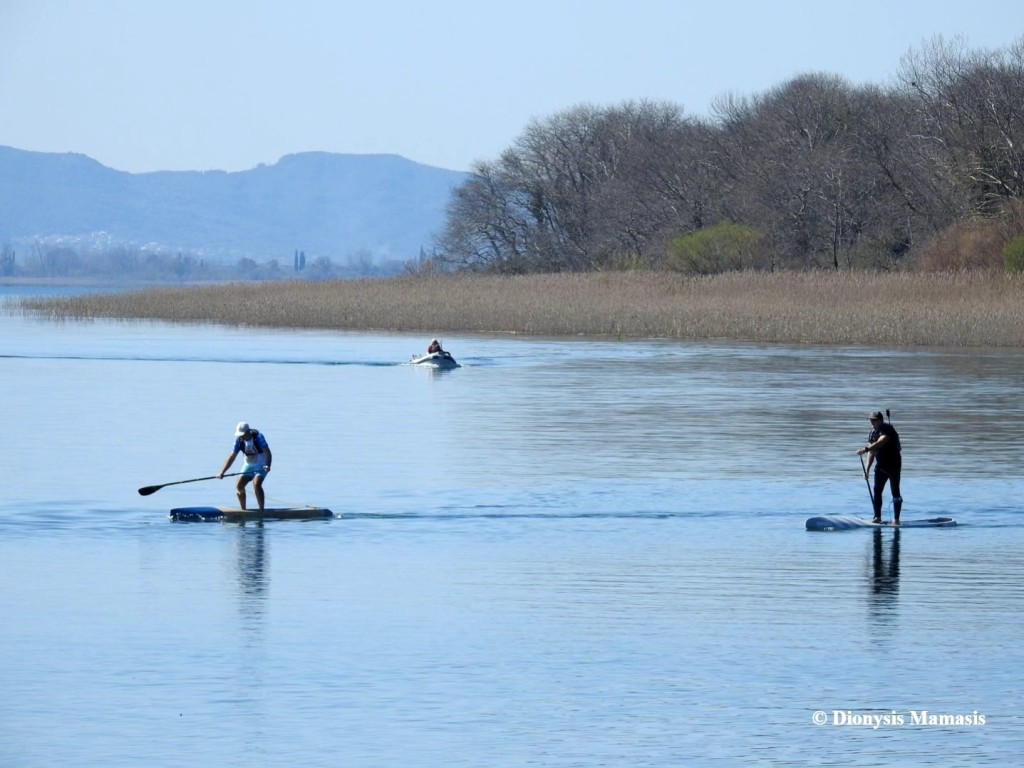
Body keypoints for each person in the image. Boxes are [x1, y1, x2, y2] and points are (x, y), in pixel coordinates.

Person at [857, 411, 902, 525]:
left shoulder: (887, 429)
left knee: (895, 492)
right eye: (870, 420)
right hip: (881, 466)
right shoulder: (873, 432)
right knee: (877, 491)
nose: (872, 422)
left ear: (881, 420)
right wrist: (867, 469)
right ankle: (877, 517)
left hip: (893, 465)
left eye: (874, 420)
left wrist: (865, 449)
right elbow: (872, 452)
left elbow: (882, 441)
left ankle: (896, 520)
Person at [218, 422, 272, 511]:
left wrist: (268, 465)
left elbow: (268, 452)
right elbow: (232, 457)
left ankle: (261, 511)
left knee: (256, 484)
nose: (241, 436)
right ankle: (243, 511)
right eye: (239, 434)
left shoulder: (258, 437)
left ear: (248, 432)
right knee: (239, 486)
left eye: (242, 434)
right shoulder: (239, 441)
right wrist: (222, 472)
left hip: (262, 464)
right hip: (248, 465)